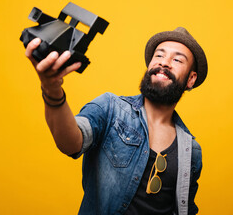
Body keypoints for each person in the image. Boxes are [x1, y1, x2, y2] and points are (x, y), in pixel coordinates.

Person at [24, 27, 208, 215]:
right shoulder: (110, 108)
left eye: (177, 60)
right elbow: (70, 143)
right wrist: (52, 90)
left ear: (191, 79)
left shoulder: (191, 150)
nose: (164, 63)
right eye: (159, 56)